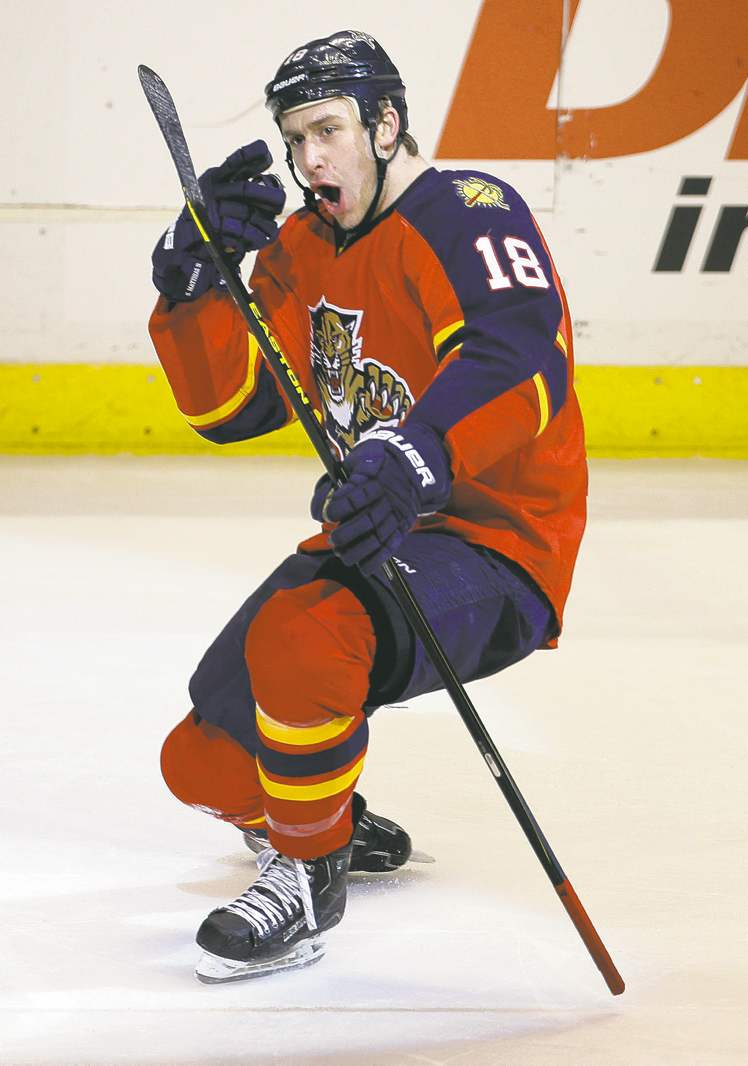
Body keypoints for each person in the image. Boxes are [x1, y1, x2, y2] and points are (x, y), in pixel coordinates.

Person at [148, 29, 588, 983]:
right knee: (205, 757)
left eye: (329, 130)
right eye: (295, 137)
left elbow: (523, 359)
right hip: (376, 525)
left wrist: (417, 454)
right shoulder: (305, 248)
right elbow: (228, 408)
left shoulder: (469, 211)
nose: (310, 159)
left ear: (386, 125)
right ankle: (331, 822)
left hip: (498, 544)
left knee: (303, 638)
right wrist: (194, 285)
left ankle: (307, 880)